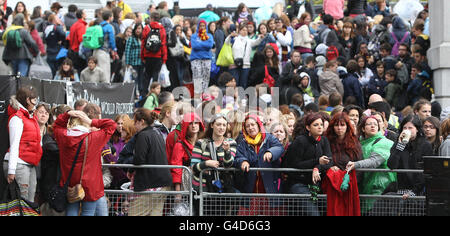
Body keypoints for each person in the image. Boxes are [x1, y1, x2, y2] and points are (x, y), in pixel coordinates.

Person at [52, 107, 116, 216]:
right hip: (90, 184)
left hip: (70, 181)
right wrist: (91, 121)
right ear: (85, 122)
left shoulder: (63, 135)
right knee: (88, 212)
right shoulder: (94, 138)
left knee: (71, 210)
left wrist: (67, 114)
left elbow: (57, 124)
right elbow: (111, 125)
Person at [282, 112, 333, 216]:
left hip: (315, 185)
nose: (320, 127)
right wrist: (317, 161)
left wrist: (317, 168)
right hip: (298, 184)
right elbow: (295, 164)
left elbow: (329, 161)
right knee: (313, 213)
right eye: (316, 125)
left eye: (321, 125)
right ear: (308, 127)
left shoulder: (324, 140)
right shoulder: (300, 141)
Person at [234, 114, 285, 216]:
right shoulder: (243, 143)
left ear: (258, 125)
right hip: (251, 190)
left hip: (269, 190)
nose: (250, 128)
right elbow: (238, 156)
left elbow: (279, 148)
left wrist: (270, 152)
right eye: (247, 126)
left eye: (253, 124)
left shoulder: (269, 138)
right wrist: (243, 161)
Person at [346, 115, 396, 215]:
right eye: (369, 124)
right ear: (363, 129)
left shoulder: (384, 142)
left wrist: (356, 164)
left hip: (380, 186)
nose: (373, 126)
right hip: (365, 186)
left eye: (375, 124)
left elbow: (374, 161)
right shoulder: (360, 143)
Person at [128, 108, 173, 216]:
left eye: (135, 122)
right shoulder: (157, 133)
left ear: (141, 121)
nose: (134, 125)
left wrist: (130, 169)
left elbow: (139, 159)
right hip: (163, 184)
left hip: (149, 185)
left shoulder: (143, 135)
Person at [190, 113, 237, 215]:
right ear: (212, 125)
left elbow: (228, 165)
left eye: (224, 125)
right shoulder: (201, 143)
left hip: (222, 188)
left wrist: (227, 151)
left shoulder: (231, 142)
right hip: (202, 188)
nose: (222, 128)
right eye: (218, 124)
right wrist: (206, 163)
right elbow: (193, 167)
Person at [3, 87, 42, 202]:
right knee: (22, 203)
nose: (35, 103)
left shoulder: (29, 117)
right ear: (27, 100)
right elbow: (14, 145)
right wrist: (11, 170)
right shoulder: (17, 118)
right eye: (34, 100)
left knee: (29, 203)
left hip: (29, 163)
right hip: (19, 164)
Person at [323, 112, 362, 216]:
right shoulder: (326, 141)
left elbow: (358, 164)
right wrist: (330, 167)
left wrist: (350, 182)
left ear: (347, 126)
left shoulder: (355, 143)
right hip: (330, 186)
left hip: (349, 185)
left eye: (342, 125)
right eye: (336, 125)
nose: (339, 128)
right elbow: (323, 161)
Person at [169, 112, 205, 193]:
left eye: (196, 123)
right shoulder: (179, 145)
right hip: (187, 187)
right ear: (185, 126)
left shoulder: (205, 143)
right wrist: (178, 192)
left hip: (203, 185)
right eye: (190, 123)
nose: (194, 125)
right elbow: (176, 169)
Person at [225, 24, 263, 89]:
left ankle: (241, 98)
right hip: (234, 64)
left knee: (243, 84)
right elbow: (226, 42)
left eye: (246, 30)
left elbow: (256, 42)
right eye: (243, 30)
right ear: (239, 31)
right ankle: (234, 98)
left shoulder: (249, 41)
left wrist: (260, 38)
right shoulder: (234, 39)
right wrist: (230, 36)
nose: (245, 31)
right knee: (234, 83)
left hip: (245, 65)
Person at [141, 12, 167, 96]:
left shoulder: (146, 28)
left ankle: (144, 95)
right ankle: (154, 94)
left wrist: (143, 57)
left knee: (146, 77)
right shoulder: (162, 29)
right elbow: (163, 44)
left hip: (148, 56)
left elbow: (143, 44)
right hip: (158, 56)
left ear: (151, 18)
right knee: (155, 77)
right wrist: (164, 58)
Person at [190, 19, 215, 98]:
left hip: (207, 59)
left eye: (203, 26)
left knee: (206, 78)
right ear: (198, 26)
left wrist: (200, 44)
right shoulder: (194, 36)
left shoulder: (209, 36)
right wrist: (204, 45)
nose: (202, 27)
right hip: (195, 59)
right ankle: (197, 97)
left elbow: (210, 45)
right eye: (200, 26)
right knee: (197, 78)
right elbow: (194, 46)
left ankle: (204, 96)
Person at [94, 10, 118, 83]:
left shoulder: (99, 25)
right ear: (110, 17)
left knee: (96, 71)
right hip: (103, 52)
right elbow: (111, 40)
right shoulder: (109, 27)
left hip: (95, 51)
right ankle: (105, 90)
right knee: (105, 72)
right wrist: (114, 50)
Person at [43, 13, 66, 78]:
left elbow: (44, 39)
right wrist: (61, 41)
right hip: (57, 52)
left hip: (49, 51)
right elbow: (63, 35)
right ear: (54, 20)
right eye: (57, 18)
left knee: (52, 71)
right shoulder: (57, 27)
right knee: (58, 70)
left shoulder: (46, 28)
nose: (59, 19)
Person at [124, 23, 143, 97]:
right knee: (134, 79)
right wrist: (128, 62)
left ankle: (141, 94)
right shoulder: (131, 39)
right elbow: (127, 50)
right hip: (133, 62)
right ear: (134, 29)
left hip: (142, 62)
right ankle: (134, 94)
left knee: (141, 79)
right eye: (137, 28)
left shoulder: (143, 38)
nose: (138, 30)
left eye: (140, 28)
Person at [68, 9, 87, 74]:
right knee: (80, 71)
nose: (86, 14)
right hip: (78, 51)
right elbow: (81, 39)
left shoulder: (74, 25)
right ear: (82, 15)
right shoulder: (81, 25)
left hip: (72, 50)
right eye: (85, 13)